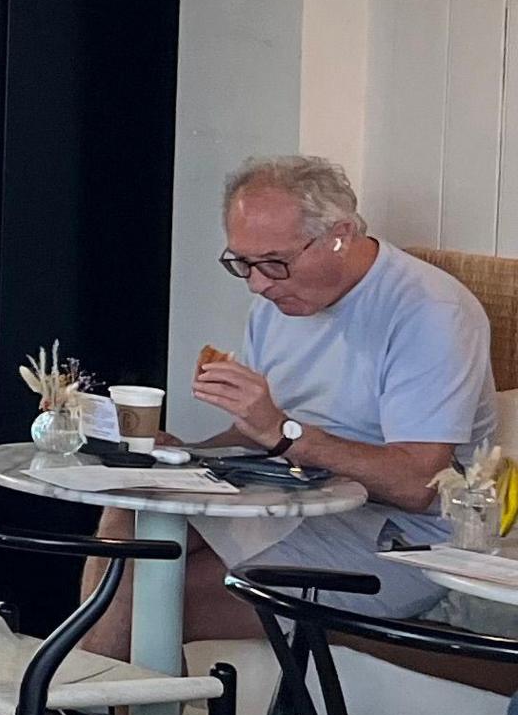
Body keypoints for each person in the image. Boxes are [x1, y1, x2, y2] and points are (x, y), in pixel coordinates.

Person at [87, 154, 497, 653]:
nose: (258, 284)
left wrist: (285, 433)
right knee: (129, 515)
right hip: (292, 504)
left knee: (156, 595)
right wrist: (187, 455)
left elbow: (417, 485)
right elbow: (256, 437)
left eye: (274, 262)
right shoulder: (279, 302)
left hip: (400, 541)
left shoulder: (428, 312)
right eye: (243, 263)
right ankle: (86, 714)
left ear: (339, 234)